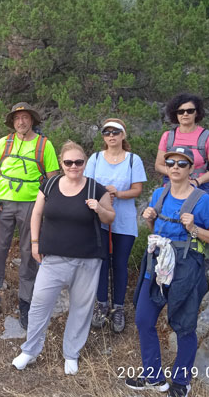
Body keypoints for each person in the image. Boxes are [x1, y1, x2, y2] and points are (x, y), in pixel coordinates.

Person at [126, 146, 209, 397]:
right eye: (170, 162)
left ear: (191, 169)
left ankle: (181, 381)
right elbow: (156, 230)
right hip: (157, 264)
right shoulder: (159, 194)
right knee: (143, 319)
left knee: (183, 326)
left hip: (185, 268)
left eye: (181, 164)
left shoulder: (202, 200)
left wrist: (194, 228)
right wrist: (150, 218)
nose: (174, 167)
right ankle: (153, 376)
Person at [12, 141, 115, 374]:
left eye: (79, 162)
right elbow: (36, 214)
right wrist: (35, 243)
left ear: (85, 163)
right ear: (61, 163)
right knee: (39, 303)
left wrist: (99, 208)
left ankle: (71, 353)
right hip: (54, 257)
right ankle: (29, 350)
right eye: (68, 162)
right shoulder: (49, 185)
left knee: (81, 307)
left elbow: (110, 218)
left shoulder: (96, 189)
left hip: (87, 259)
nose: (74, 166)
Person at [0, 102, 59, 329]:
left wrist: (45, 207)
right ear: (13, 122)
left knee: (29, 253)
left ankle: (26, 303)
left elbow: (53, 178)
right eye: (17, 119)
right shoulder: (4, 143)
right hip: (3, 205)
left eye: (25, 117)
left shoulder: (44, 145)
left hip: (31, 206)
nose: (21, 122)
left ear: (32, 120)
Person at [86, 118, 147, 333]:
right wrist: (102, 196)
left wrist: (117, 193)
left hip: (124, 221)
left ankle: (118, 308)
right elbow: (87, 185)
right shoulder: (94, 158)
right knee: (101, 262)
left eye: (116, 132)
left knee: (120, 263)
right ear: (103, 136)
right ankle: (102, 304)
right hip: (100, 220)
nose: (111, 136)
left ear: (123, 135)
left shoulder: (133, 160)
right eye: (107, 132)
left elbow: (137, 189)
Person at [154, 93, 209, 198]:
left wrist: (197, 182)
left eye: (190, 111)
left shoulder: (208, 136)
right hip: (172, 184)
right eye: (180, 111)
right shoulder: (167, 136)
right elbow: (159, 165)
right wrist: (177, 176)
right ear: (175, 114)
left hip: (200, 185)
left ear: (197, 113)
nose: (185, 114)